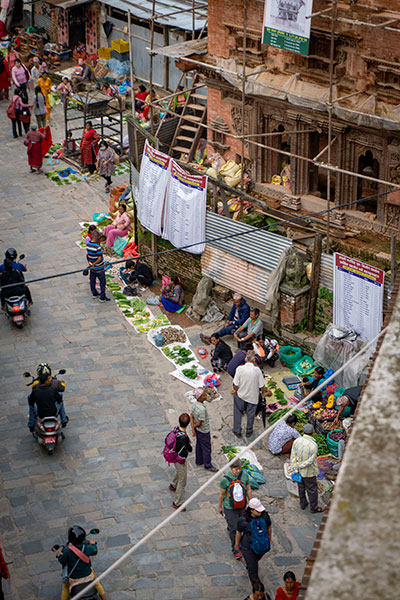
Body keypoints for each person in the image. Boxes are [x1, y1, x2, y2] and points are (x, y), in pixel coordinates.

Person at [57, 526, 106, 600]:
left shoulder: (67, 550)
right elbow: (94, 551)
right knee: (97, 583)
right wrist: (93, 544)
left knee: (65, 588)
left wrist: (59, 555)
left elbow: (62, 561)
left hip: (74, 578)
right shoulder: (87, 547)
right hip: (88, 574)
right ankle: (104, 598)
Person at [218, 458, 252, 559]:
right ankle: (236, 549)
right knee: (234, 529)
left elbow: (248, 489)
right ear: (231, 468)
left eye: (239, 469)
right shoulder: (225, 480)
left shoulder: (244, 475)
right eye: (236, 469)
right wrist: (220, 506)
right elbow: (222, 494)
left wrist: (251, 501)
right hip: (230, 507)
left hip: (242, 506)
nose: (238, 471)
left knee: (244, 526)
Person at [235, 498, 272, 583]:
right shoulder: (243, 520)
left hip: (262, 546)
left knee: (254, 561)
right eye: (257, 511)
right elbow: (238, 532)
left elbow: (269, 527)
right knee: (253, 572)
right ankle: (256, 588)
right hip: (248, 547)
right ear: (251, 510)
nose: (260, 512)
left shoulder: (264, 516)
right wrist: (237, 544)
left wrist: (269, 539)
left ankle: (250, 564)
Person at [290, 423, 324, 513]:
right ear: (312, 432)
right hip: (309, 472)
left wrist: (296, 467)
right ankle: (314, 508)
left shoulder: (297, 441)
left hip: (299, 472)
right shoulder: (313, 445)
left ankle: (303, 504)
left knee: (301, 488)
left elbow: (293, 456)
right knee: (312, 490)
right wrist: (299, 465)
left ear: (303, 431)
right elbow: (310, 461)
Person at [232, 351, 266, 438]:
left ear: (245, 359)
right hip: (252, 397)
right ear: (254, 360)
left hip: (241, 395)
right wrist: (262, 393)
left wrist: (236, 391)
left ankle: (237, 430)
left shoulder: (239, 369)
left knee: (238, 412)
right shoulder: (257, 371)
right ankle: (249, 431)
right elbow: (262, 386)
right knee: (251, 414)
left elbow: (235, 385)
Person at [27, 363, 68, 431]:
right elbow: (59, 399)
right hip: (53, 412)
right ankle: (64, 420)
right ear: (47, 379)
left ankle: (31, 424)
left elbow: (31, 401)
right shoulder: (53, 388)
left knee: (31, 405)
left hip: (40, 414)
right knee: (60, 401)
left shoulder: (36, 389)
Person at [190, 387, 218, 472]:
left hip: (198, 431)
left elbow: (191, 416)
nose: (205, 395)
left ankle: (199, 461)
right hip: (204, 431)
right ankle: (208, 465)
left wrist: (193, 429)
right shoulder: (202, 409)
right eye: (203, 395)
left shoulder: (194, 405)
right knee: (206, 448)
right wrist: (195, 426)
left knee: (199, 445)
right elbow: (199, 423)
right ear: (199, 397)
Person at [169, 413, 192, 510]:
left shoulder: (176, 430)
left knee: (180, 471)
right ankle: (177, 502)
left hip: (174, 456)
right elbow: (189, 449)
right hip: (180, 458)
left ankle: (173, 484)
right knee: (183, 481)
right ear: (188, 424)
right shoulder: (184, 437)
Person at [86, 230, 110, 302]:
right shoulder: (98, 247)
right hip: (99, 267)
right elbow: (99, 258)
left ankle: (94, 294)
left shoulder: (88, 244)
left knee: (92, 281)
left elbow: (88, 255)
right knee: (102, 282)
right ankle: (102, 297)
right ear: (98, 238)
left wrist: (91, 264)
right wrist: (94, 263)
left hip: (92, 267)